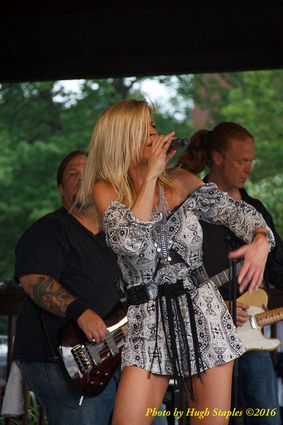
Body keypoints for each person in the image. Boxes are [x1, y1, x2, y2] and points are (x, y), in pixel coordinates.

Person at [78, 99, 275, 425]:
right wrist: (152, 176)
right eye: (146, 128)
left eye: (154, 126)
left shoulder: (183, 181)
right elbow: (132, 245)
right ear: (121, 136)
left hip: (205, 315)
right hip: (149, 321)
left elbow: (242, 215)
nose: (155, 133)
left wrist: (261, 240)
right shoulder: (106, 190)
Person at [177, 122, 283, 424]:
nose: (249, 168)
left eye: (251, 160)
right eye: (241, 160)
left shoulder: (255, 208)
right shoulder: (188, 204)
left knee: (266, 416)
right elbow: (174, 272)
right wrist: (217, 305)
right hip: (203, 332)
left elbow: (277, 267)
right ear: (217, 158)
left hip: (249, 334)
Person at [11, 150, 122, 425]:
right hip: (62, 358)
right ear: (61, 189)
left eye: (90, 175)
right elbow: (34, 281)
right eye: (74, 174)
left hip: (115, 355)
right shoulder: (48, 230)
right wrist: (80, 312)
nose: (83, 180)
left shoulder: (117, 236)